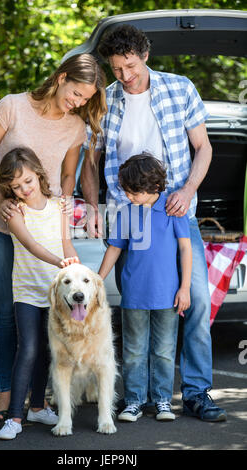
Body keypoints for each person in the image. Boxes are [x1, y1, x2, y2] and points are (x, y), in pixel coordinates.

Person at [81, 25, 227, 421]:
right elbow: (89, 162)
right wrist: (94, 208)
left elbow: (204, 147)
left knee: (194, 299)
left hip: (176, 212)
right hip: (128, 217)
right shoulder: (104, 101)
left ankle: (196, 394)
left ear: (144, 55)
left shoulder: (179, 88)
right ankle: (138, 396)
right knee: (138, 305)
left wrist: (188, 190)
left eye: (130, 66)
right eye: (116, 69)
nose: (125, 76)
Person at [0, 53, 107, 421]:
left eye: (85, 99)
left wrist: (63, 205)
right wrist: (1, 202)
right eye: (76, 92)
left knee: (47, 313)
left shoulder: (75, 127)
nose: (78, 102)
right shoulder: (12, 107)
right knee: (7, 312)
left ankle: (37, 400)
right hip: (3, 226)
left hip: (47, 232)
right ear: (61, 77)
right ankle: (5, 395)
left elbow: (67, 176)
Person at [98, 153, 192, 422]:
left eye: (131, 191)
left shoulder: (174, 209)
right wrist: (97, 279)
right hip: (134, 295)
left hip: (168, 295)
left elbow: (186, 249)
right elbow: (115, 248)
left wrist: (184, 288)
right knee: (133, 351)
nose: (127, 196)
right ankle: (134, 401)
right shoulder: (126, 213)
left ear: (152, 187)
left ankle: (162, 400)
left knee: (163, 350)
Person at [0, 147, 80, 440]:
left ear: (39, 175)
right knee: (29, 348)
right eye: (16, 186)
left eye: (28, 182)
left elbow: (66, 245)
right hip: (28, 291)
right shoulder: (15, 212)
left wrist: (76, 271)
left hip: (56, 293)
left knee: (47, 349)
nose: (24, 189)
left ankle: (38, 407)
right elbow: (31, 245)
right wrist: (59, 262)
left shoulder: (59, 206)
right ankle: (14, 417)